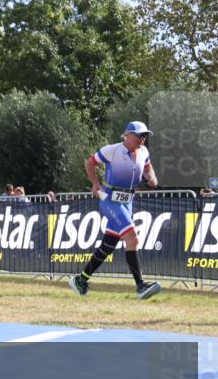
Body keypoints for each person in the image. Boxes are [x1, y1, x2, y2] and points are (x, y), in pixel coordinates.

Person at [69, 121, 161, 300]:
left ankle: (81, 280)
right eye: (139, 135)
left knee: (108, 246)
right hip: (110, 200)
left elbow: (148, 168)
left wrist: (152, 178)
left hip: (128, 202)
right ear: (128, 135)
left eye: (145, 135)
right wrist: (95, 184)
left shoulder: (143, 152)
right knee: (132, 238)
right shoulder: (112, 150)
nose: (142, 139)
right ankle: (140, 286)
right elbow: (90, 163)